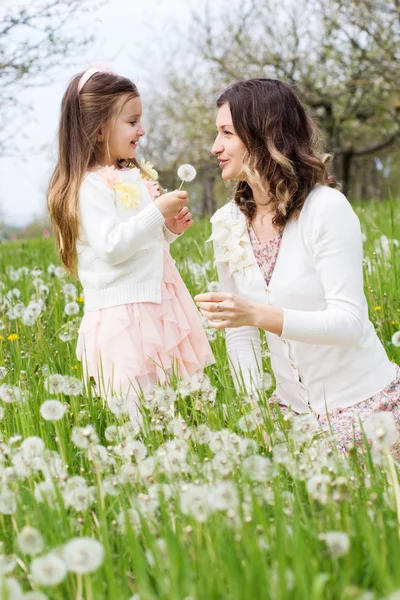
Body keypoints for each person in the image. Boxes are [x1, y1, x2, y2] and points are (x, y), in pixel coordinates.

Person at [195, 78, 400, 454]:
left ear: (262, 135)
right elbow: (239, 333)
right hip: (290, 414)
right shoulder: (226, 223)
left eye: (226, 133)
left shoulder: (326, 209)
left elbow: (349, 324)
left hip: (364, 405)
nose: (215, 147)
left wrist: (258, 314)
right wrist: (254, 414)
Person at [47, 67, 214, 423]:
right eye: (132, 121)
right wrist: (156, 212)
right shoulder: (90, 186)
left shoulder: (131, 176)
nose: (142, 130)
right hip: (123, 316)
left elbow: (140, 241)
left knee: (170, 408)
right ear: (99, 129)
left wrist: (168, 229)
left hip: (153, 303)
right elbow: (111, 247)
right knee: (136, 411)